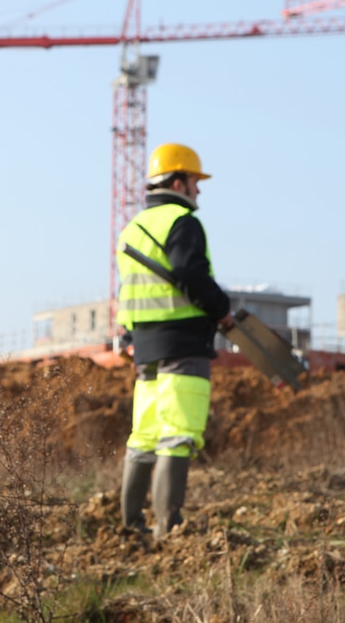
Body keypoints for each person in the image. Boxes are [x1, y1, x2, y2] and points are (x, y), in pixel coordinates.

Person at [115, 142, 234, 539]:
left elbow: (128, 292)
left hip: (145, 349)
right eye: (195, 182)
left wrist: (130, 336)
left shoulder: (133, 229)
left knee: (144, 436)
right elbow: (191, 275)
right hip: (183, 344)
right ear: (179, 182)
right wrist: (222, 309)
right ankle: (169, 528)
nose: (198, 191)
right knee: (178, 434)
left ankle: (132, 527)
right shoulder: (182, 222)